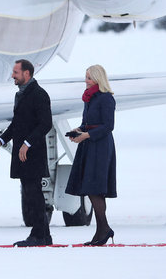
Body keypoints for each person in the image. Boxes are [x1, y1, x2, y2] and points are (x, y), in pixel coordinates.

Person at [0, 59, 53, 247]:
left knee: (33, 193)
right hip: (23, 154)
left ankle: (38, 235)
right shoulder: (21, 94)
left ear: (27, 73)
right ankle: (44, 235)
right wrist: (1, 140)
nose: (12, 76)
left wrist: (27, 143)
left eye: (16, 72)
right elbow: (17, 124)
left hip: (33, 154)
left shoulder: (39, 94)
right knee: (30, 192)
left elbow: (45, 124)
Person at [65, 64, 117, 246]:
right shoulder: (89, 98)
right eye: (85, 77)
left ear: (97, 78)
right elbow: (87, 123)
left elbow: (108, 126)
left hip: (100, 146)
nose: (85, 81)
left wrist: (86, 135)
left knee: (95, 188)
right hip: (89, 145)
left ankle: (104, 229)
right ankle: (102, 230)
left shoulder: (106, 98)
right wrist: (78, 130)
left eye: (88, 77)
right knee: (92, 188)